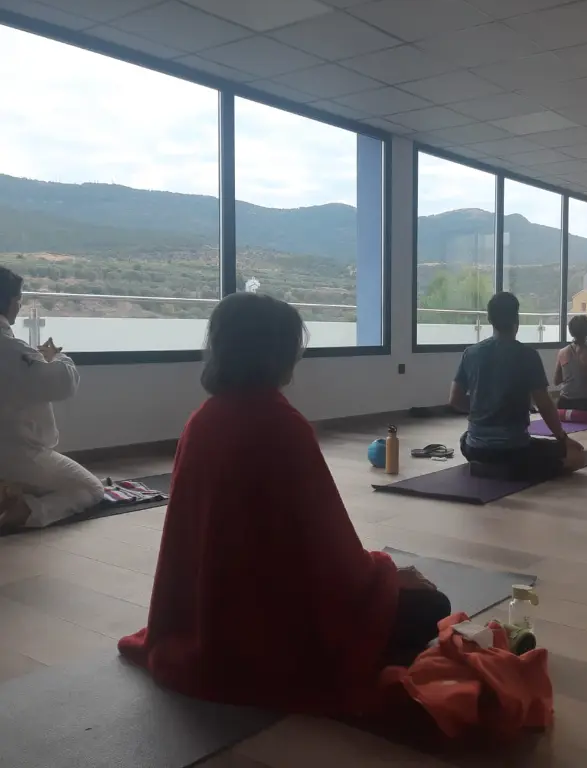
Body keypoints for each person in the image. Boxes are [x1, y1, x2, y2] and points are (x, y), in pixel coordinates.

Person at [119, 292, 450, 713]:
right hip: (277, 628)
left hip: (211, 618)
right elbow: (329, 549)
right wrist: (384, 575)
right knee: (432, 606)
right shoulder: (281, 425)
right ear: (279, 353)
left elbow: (189, 543)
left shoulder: (202, 420)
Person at [0, 267, 103, 529]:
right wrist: (56, 356)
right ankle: (25, 511)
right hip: (16, 455)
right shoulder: (12, 352)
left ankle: (9, 492)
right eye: (19, 300)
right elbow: (63, 384)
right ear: (11, 303)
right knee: (90, 488)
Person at [449, 292, 585, 477]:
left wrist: (482, 408)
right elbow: (544, 404)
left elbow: (455, 400)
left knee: (465, 439)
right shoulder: (527, 355)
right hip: (514, 449)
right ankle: (507, 469)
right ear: (516, 319)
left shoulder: (470, 353)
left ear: (490, 319)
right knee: (577, 456)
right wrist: (563, 438)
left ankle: (489, 467)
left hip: (475, 448)